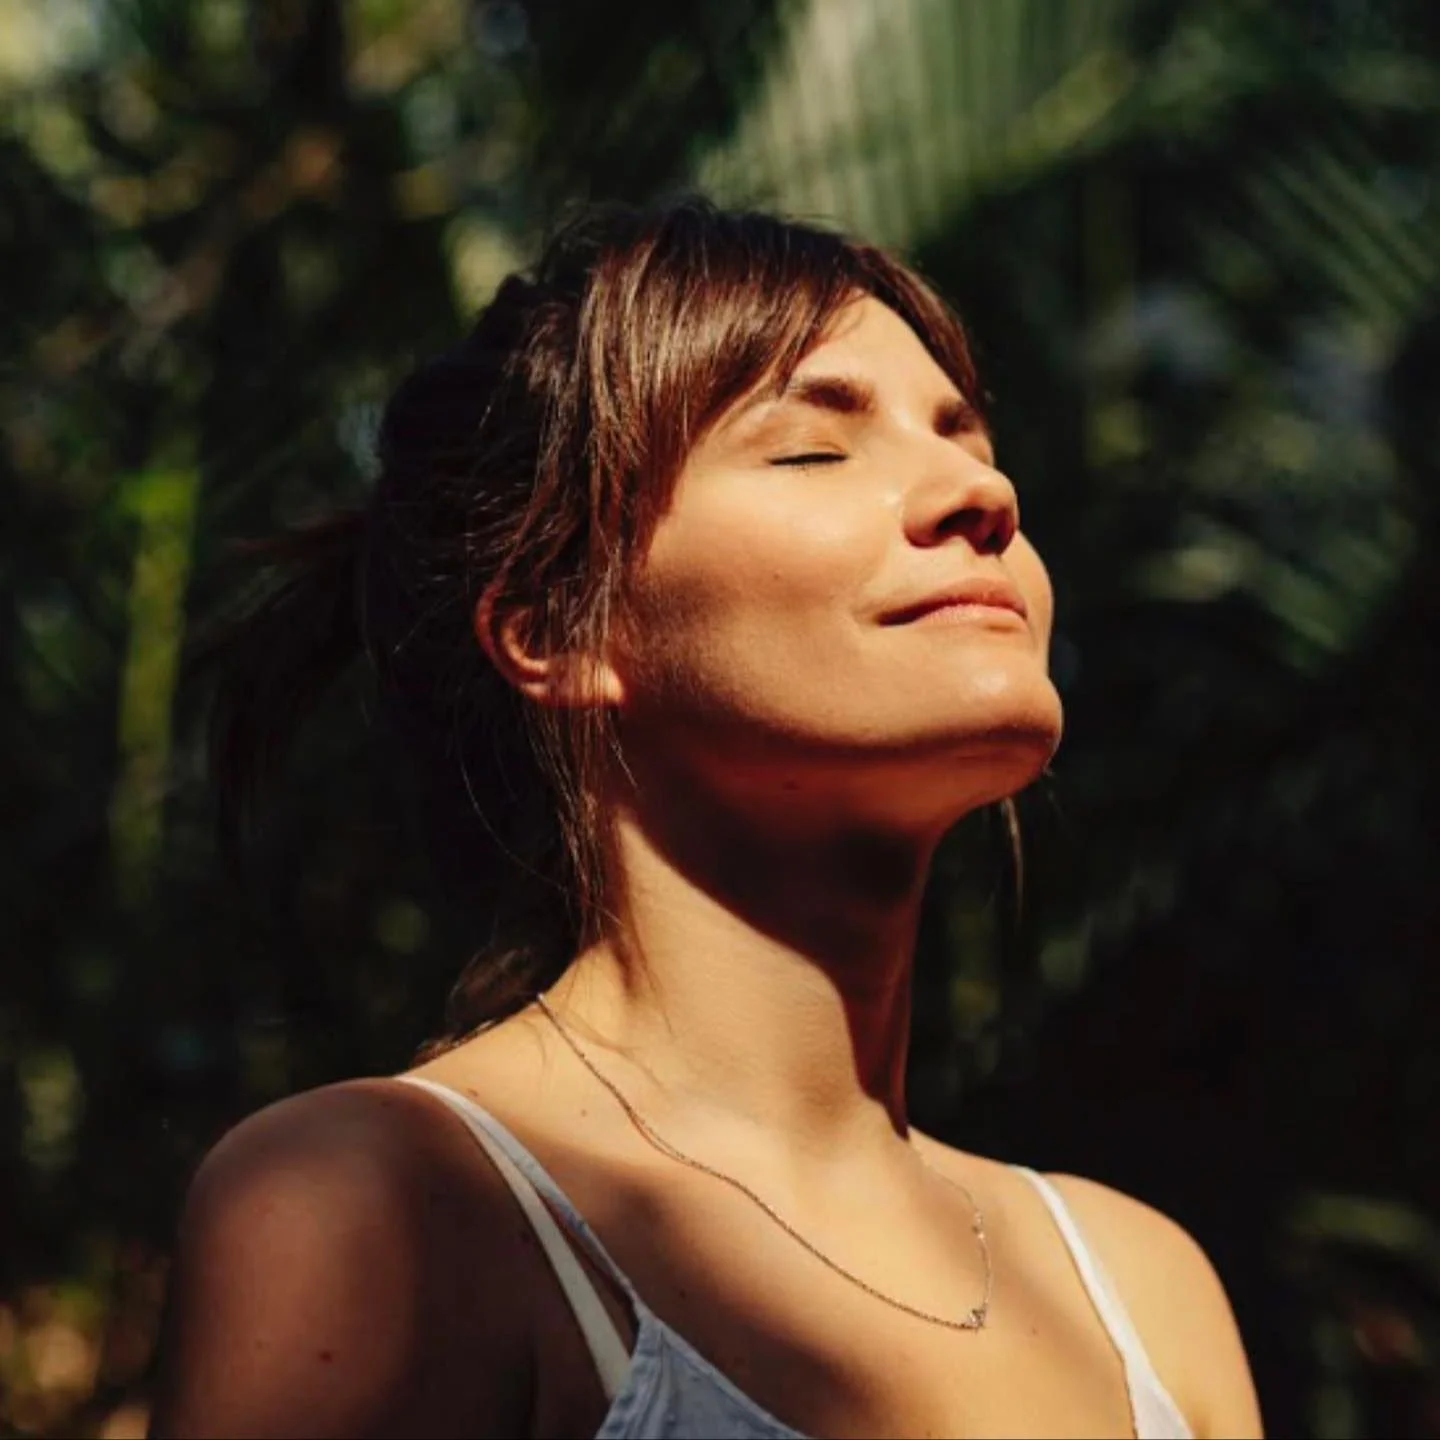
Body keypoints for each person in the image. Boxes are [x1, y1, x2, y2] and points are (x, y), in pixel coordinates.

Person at [147, 199, 1262, 1440]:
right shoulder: (386, 1207)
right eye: (811, 451)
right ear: (558, 631)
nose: (979, 490)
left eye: (967, 435)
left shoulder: (1143, 1295)